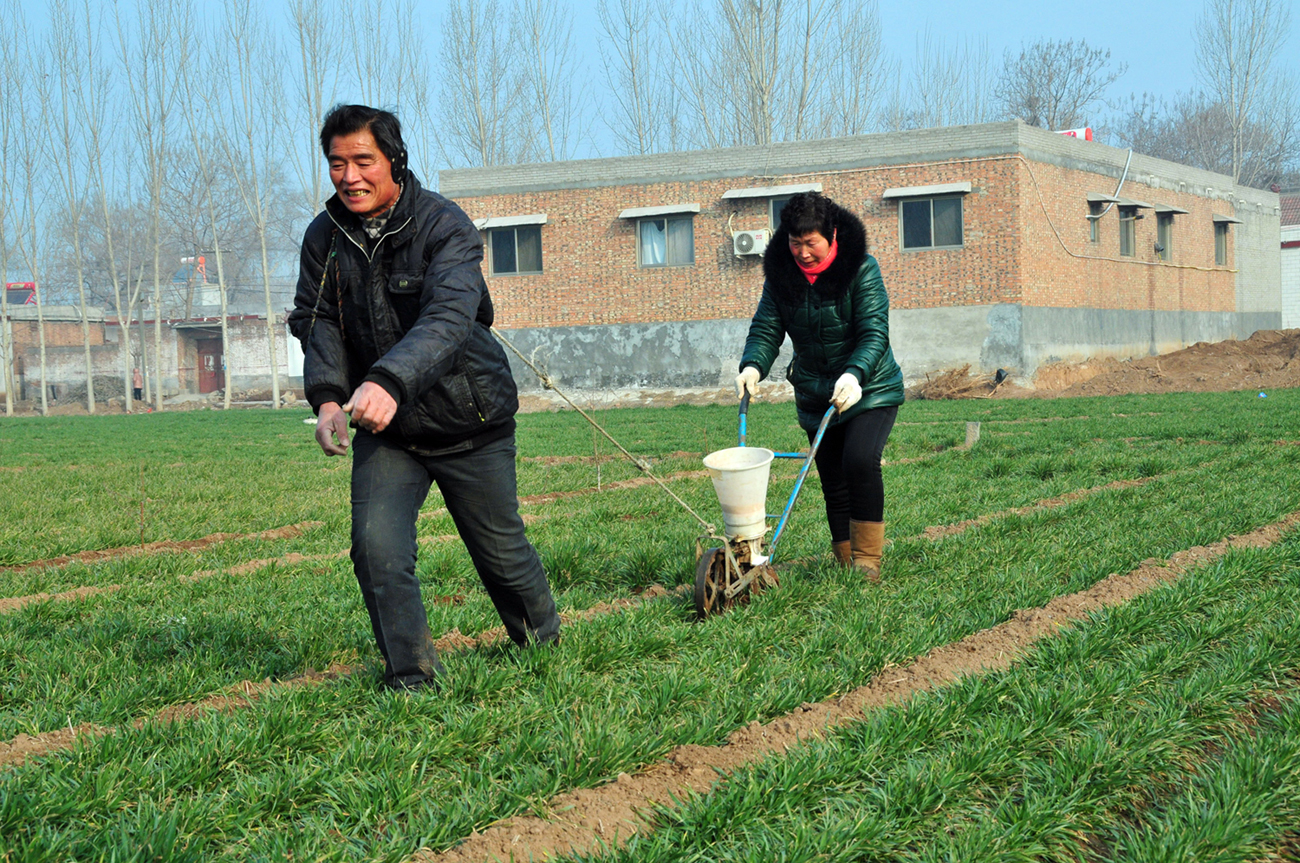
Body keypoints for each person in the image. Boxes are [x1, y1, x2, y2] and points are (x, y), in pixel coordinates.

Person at [288, 104, 560, 692]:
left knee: (501, 554)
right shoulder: (323, 238)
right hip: (390, 433)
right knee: (376, 548)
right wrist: (329, 399)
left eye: (364, 160)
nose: (350, 176)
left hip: (470, 419)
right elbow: (317, 320)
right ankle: (409, 677)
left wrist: (387, 380)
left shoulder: (444, 225)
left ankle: (543, 646)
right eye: (337, 163)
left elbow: (449, 315)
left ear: (395, 160)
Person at [737, 192, 904, 581]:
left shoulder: (861, 269)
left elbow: (874, 332)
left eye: (811, 243)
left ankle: (867, 561)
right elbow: (766, 329)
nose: (803, 253)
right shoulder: (781, 276)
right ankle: (844, 561)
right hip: (816, 392)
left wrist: (854, 374)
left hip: (870, 387)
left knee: (859, 460)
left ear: (830, 235)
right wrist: (752, 366)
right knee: (832, 477)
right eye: (795, 243)